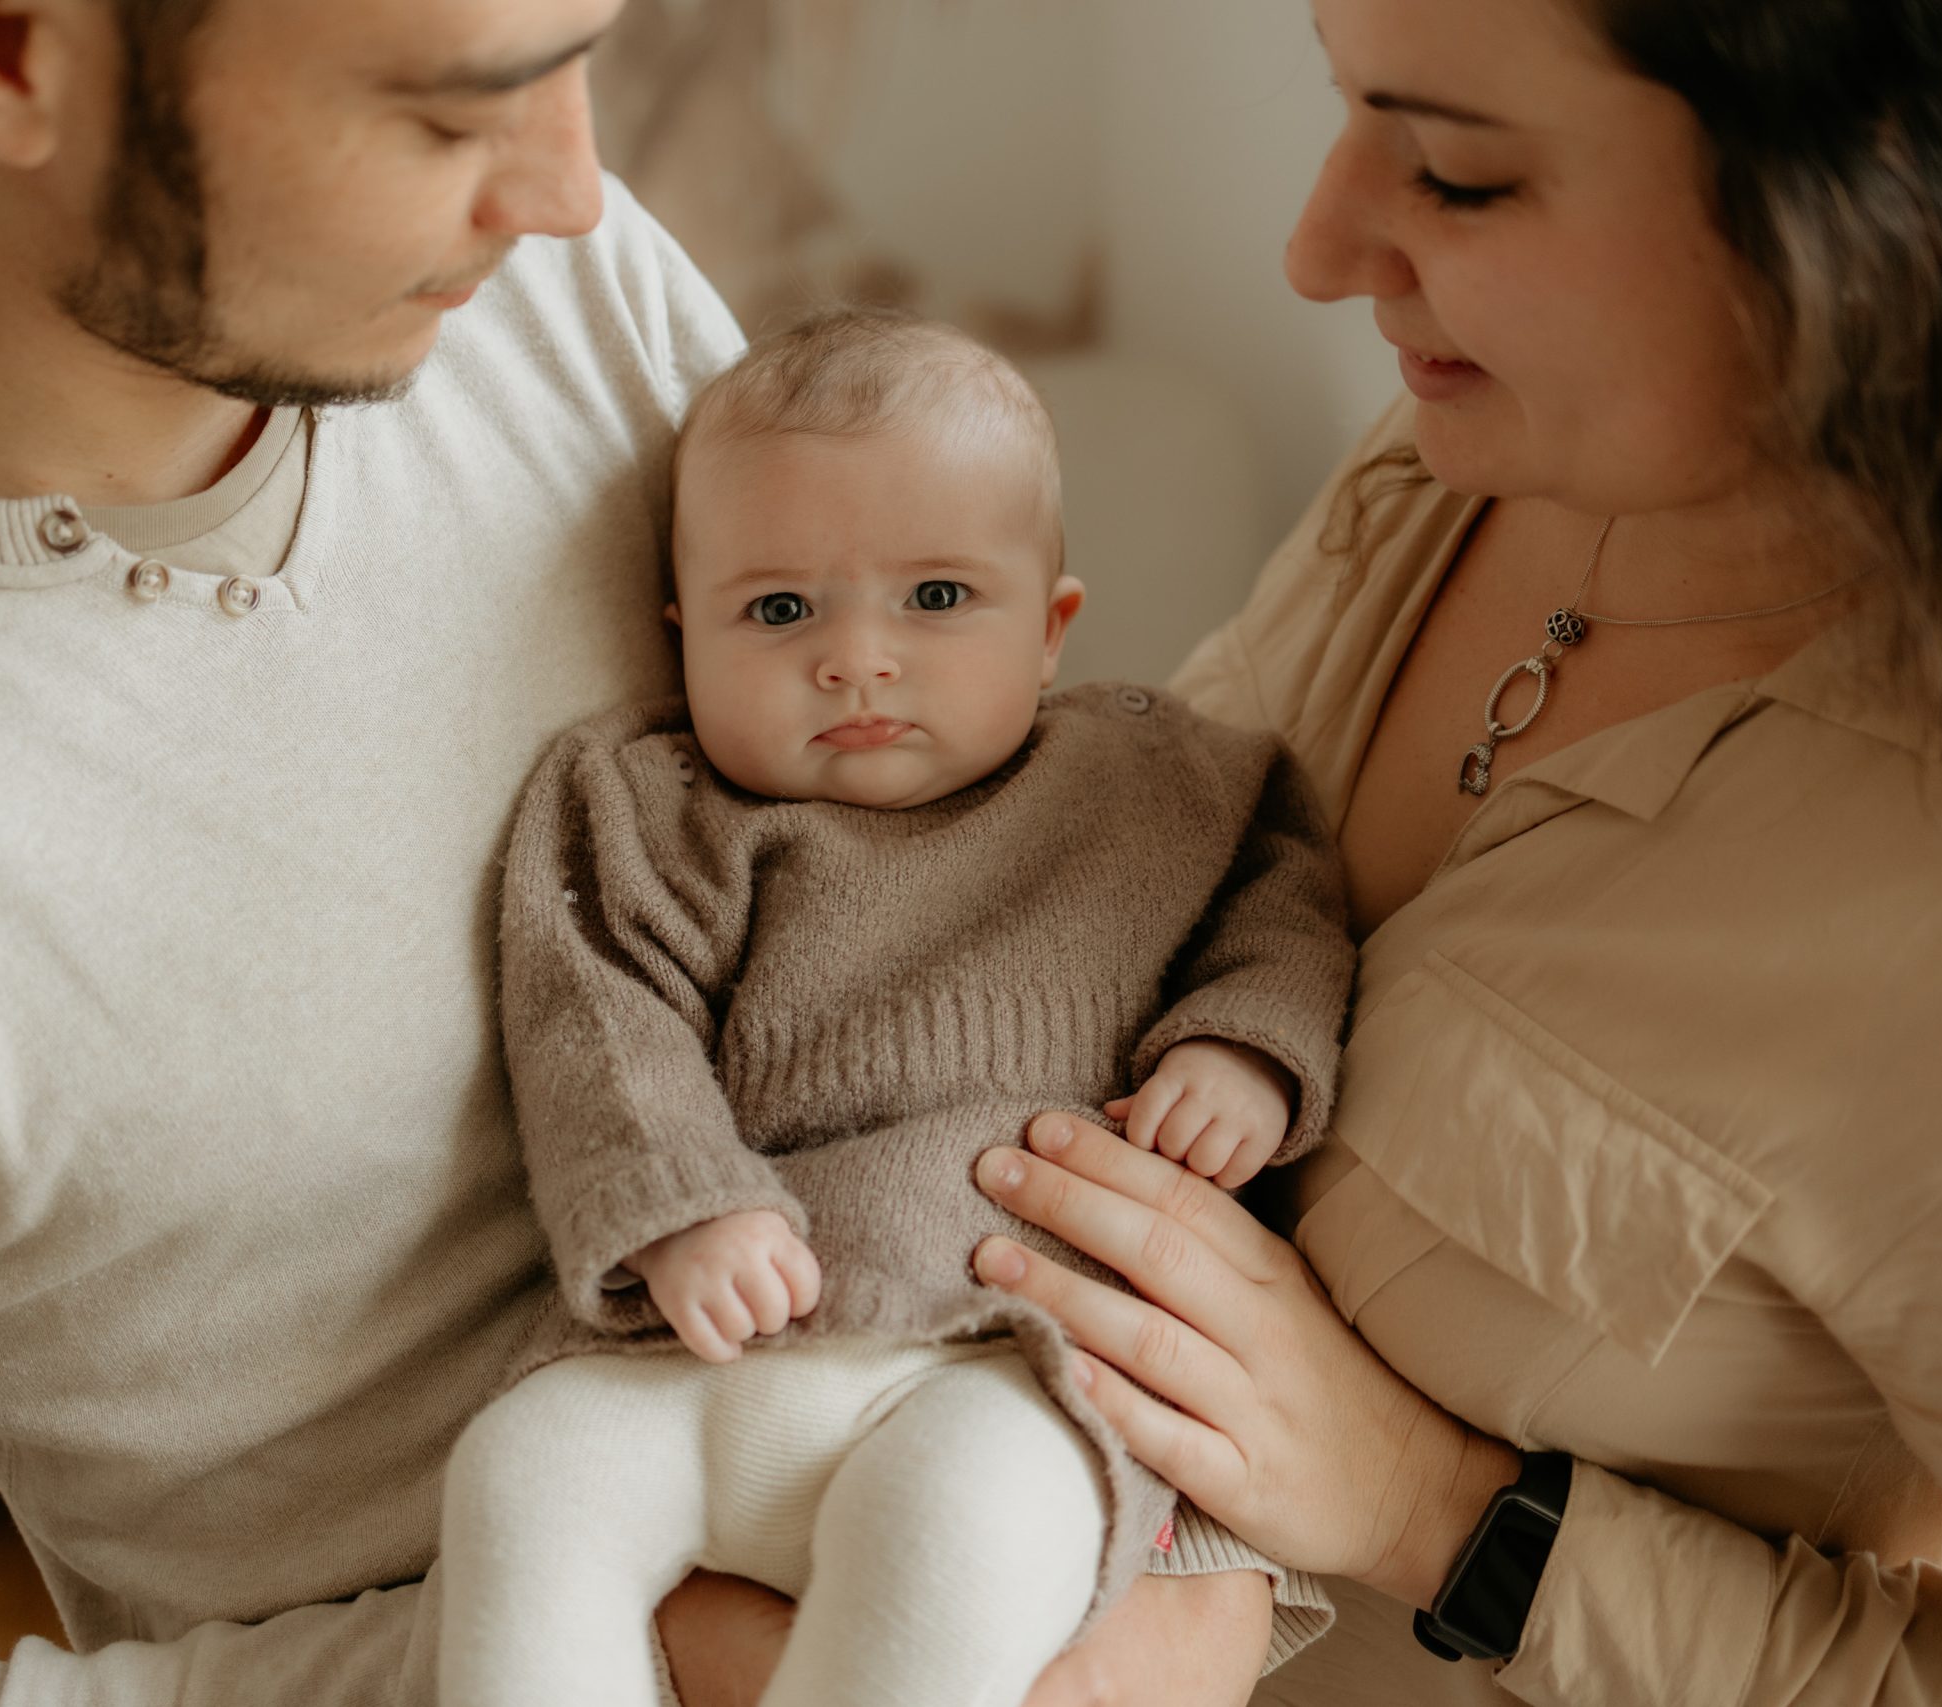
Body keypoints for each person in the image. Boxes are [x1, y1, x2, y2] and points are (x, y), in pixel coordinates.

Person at [0, 2, 1270, 1704]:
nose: (571, 189)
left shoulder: (541, 297)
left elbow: (977, 875)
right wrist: (680, 1661)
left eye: (581, 59)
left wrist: (1182, 1543)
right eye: (446, 110)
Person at [949, 1, 1942, 1704]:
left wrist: (1440, 1513)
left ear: (1887, 201)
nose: (1320, 250)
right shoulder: (1468, 449)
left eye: (1461, 176)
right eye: (1342, 110)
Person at [432, 310, 1350, 1707]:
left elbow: (1288, 904)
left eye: (935, 599)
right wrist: (681, 1201)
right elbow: (593, 1015)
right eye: (781, 610)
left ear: (1051, 629)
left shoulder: (1156, 786)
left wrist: (1244, 1048)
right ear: (681, 634)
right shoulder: (644, 804)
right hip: (700, 1347)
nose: (858, 658)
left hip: (999, 1358)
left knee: (964, 1527)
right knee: (523, 1474)